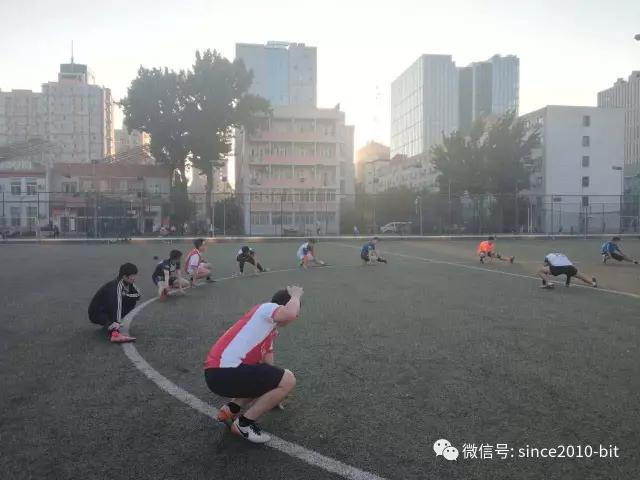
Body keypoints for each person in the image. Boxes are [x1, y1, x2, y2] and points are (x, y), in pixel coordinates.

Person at [204, 286, 303, 443]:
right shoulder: (267, 308)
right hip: (225, 372)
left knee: (270, 377)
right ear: (283, 306)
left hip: (216, 375)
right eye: (297, 311)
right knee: (289, 379)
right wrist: (296, 295)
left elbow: (269, 368)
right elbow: (290, 314)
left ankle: (230, 410)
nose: (296, 316)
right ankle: (244, 424)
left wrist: (275, 393)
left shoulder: (267, 329)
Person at [88, 263, 141, 343]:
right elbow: (116, 304)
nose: (134, 278)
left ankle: (110, 323)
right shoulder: (116, 286)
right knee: (117, 305)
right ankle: (115, 334)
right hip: (96, 313)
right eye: (132, 276)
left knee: (131, 301)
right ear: (124, 276)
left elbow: (138, 295)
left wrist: (125, 295)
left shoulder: (129, 283)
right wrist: (117, 321)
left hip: (106, 309)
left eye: (135, 275)